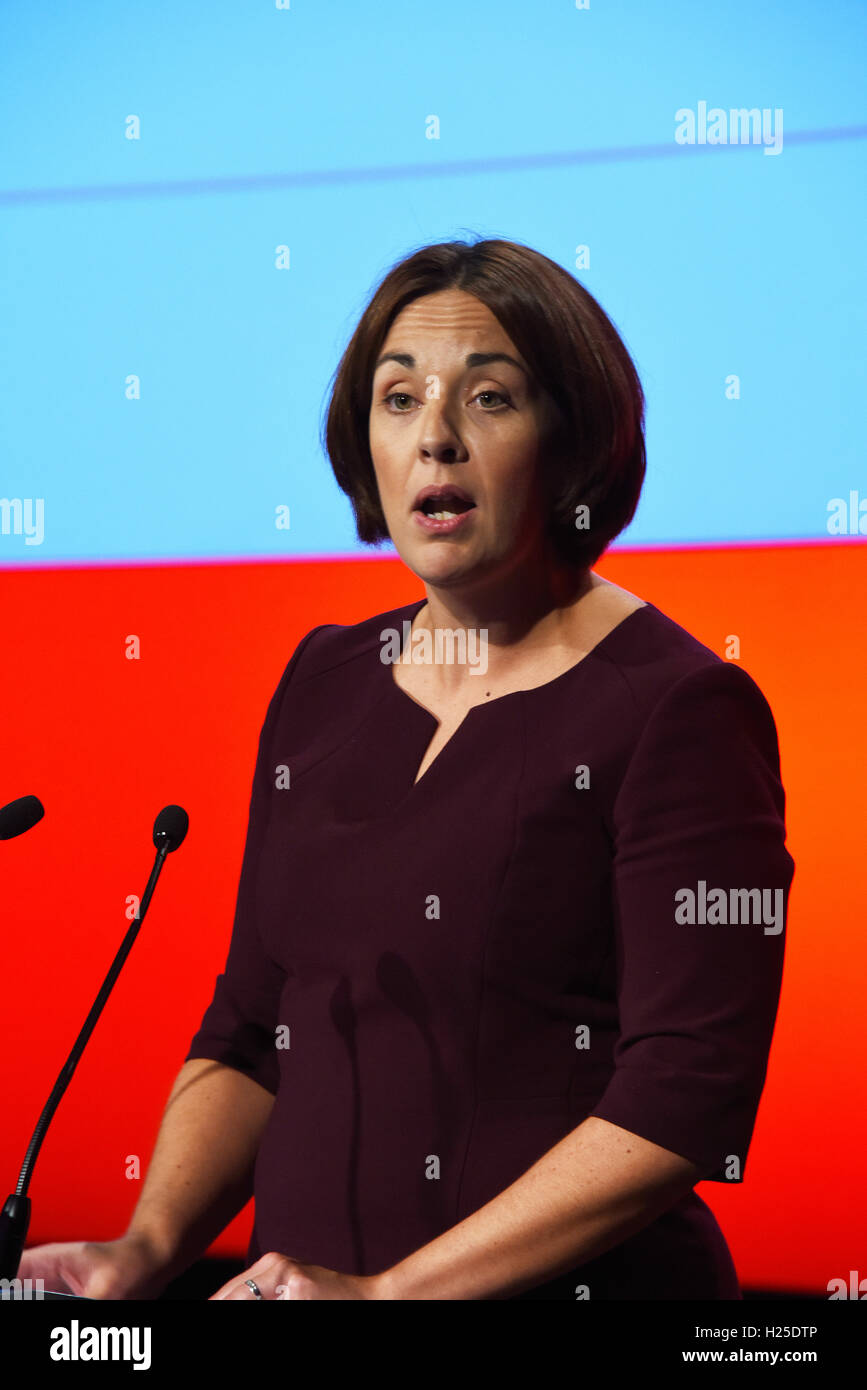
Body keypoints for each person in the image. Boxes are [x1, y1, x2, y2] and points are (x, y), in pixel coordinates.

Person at [19, 237, 795, 1301]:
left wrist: (393, 1297)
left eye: (489, 398)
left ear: (577, 441)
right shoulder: (324, 681)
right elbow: (252, 1030)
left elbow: (685, 1095)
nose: (434, 438)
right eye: (397, 399)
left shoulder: (683, 709)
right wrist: (147, 1246)